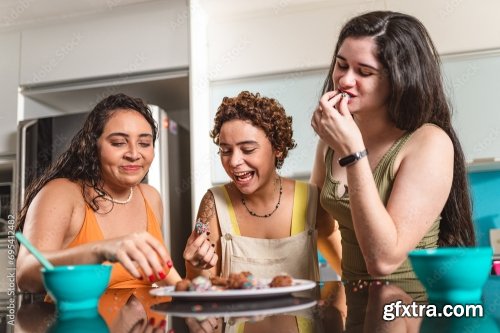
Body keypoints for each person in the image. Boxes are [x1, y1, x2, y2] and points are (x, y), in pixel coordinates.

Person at [310, 11, 475, 284]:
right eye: (341, 65)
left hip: (412, 310)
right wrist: (352, 281)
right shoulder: (331, 140)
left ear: (400, 78)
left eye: (364, 72)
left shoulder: (429, 142)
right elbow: (320, 226)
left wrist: (353, 152)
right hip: (359, 311)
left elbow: (383, 261)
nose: (345, 80)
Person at [16, 93, 181, 292]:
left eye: (144, 143)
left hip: (144, 322)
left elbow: (160, 270)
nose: (134, 154)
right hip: (77, 322)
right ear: (93, 146)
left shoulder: (150, 197)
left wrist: (195, 288)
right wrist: (100, 250)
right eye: (119, 143)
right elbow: (25, 275)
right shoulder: (61, 193)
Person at [183, 91, 342, 280]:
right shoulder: (214, 203)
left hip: (303, 311)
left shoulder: (312, 199)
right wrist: (194, 266)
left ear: (278, 149)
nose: (234, 161)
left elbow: (346, 270)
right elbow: (202, 287)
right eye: (225, 150)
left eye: (248, 149)